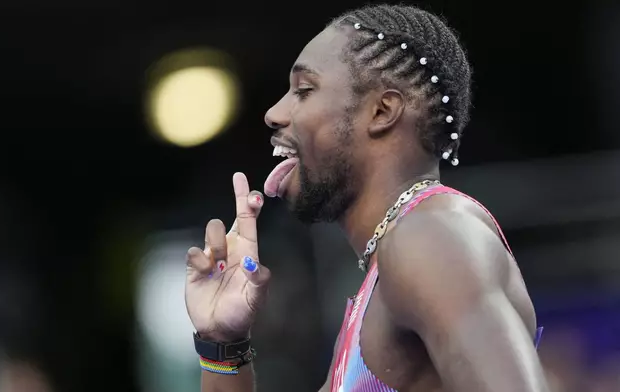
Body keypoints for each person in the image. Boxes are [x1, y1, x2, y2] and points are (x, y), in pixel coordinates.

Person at [185, 4, 550, 391]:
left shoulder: (433, 236)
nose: (274, 114)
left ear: (382, 111)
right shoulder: (391, 265)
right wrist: (223, 345)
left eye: (304, 91)